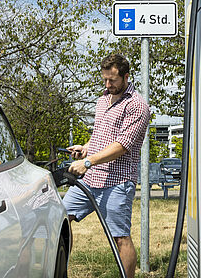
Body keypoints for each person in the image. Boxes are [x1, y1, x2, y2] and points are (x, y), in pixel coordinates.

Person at [63, 54, 150, 278]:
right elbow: (101, 136)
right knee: (60, 219)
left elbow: (122, 145)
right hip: (90, 179)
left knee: (119, 237)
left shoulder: (137, 106)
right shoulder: (103, 100)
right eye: (105, 79)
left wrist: (88, 161)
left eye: (112, 80)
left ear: (126, 76)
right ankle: (60, 271)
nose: (108, 84)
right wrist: (85, 148)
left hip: (117, 182)